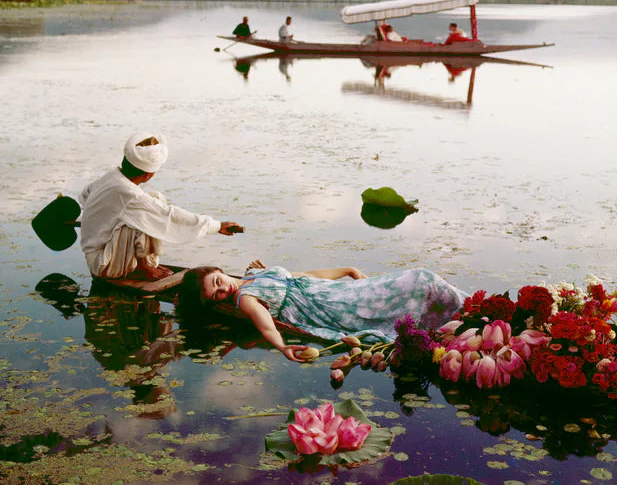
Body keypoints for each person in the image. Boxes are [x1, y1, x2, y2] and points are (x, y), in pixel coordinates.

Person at [180, 265, 466, 363]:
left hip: (330, 291)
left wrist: (346, 270)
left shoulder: (253, 275)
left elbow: (303, 275)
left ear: (216, 270)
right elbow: (265, 324)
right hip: (329, 308)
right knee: (419, 281)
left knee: (420, 278)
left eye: (217, 282)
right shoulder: (245, 299)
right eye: (215, 296)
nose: (223, 290)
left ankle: (469, 308)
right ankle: (463, 318)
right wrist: (281, 346)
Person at [79, 133, 243, 281]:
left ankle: (143, 263)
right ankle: (143, 268)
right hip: (103, 265)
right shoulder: (130, 194)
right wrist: (216, 226)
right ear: (148, 175)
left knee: (153, 199)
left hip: (97, 255)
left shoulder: (111, 176)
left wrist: (101, 218)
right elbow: (167, 215)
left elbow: (85, 196)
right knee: (144, 216)